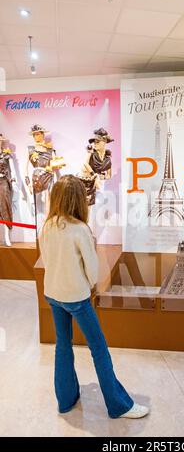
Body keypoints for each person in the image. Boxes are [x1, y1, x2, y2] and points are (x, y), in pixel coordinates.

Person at [38, 174, 149, 419]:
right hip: (76, 297)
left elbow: (46, 260)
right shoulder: (80, 229)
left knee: (62, 345)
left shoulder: (48, 225)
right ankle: (119, 405)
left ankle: (65, 400)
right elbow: (92, 271)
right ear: (79, 199)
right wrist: (88, 286)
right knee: (98, 348)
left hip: (53, 294)